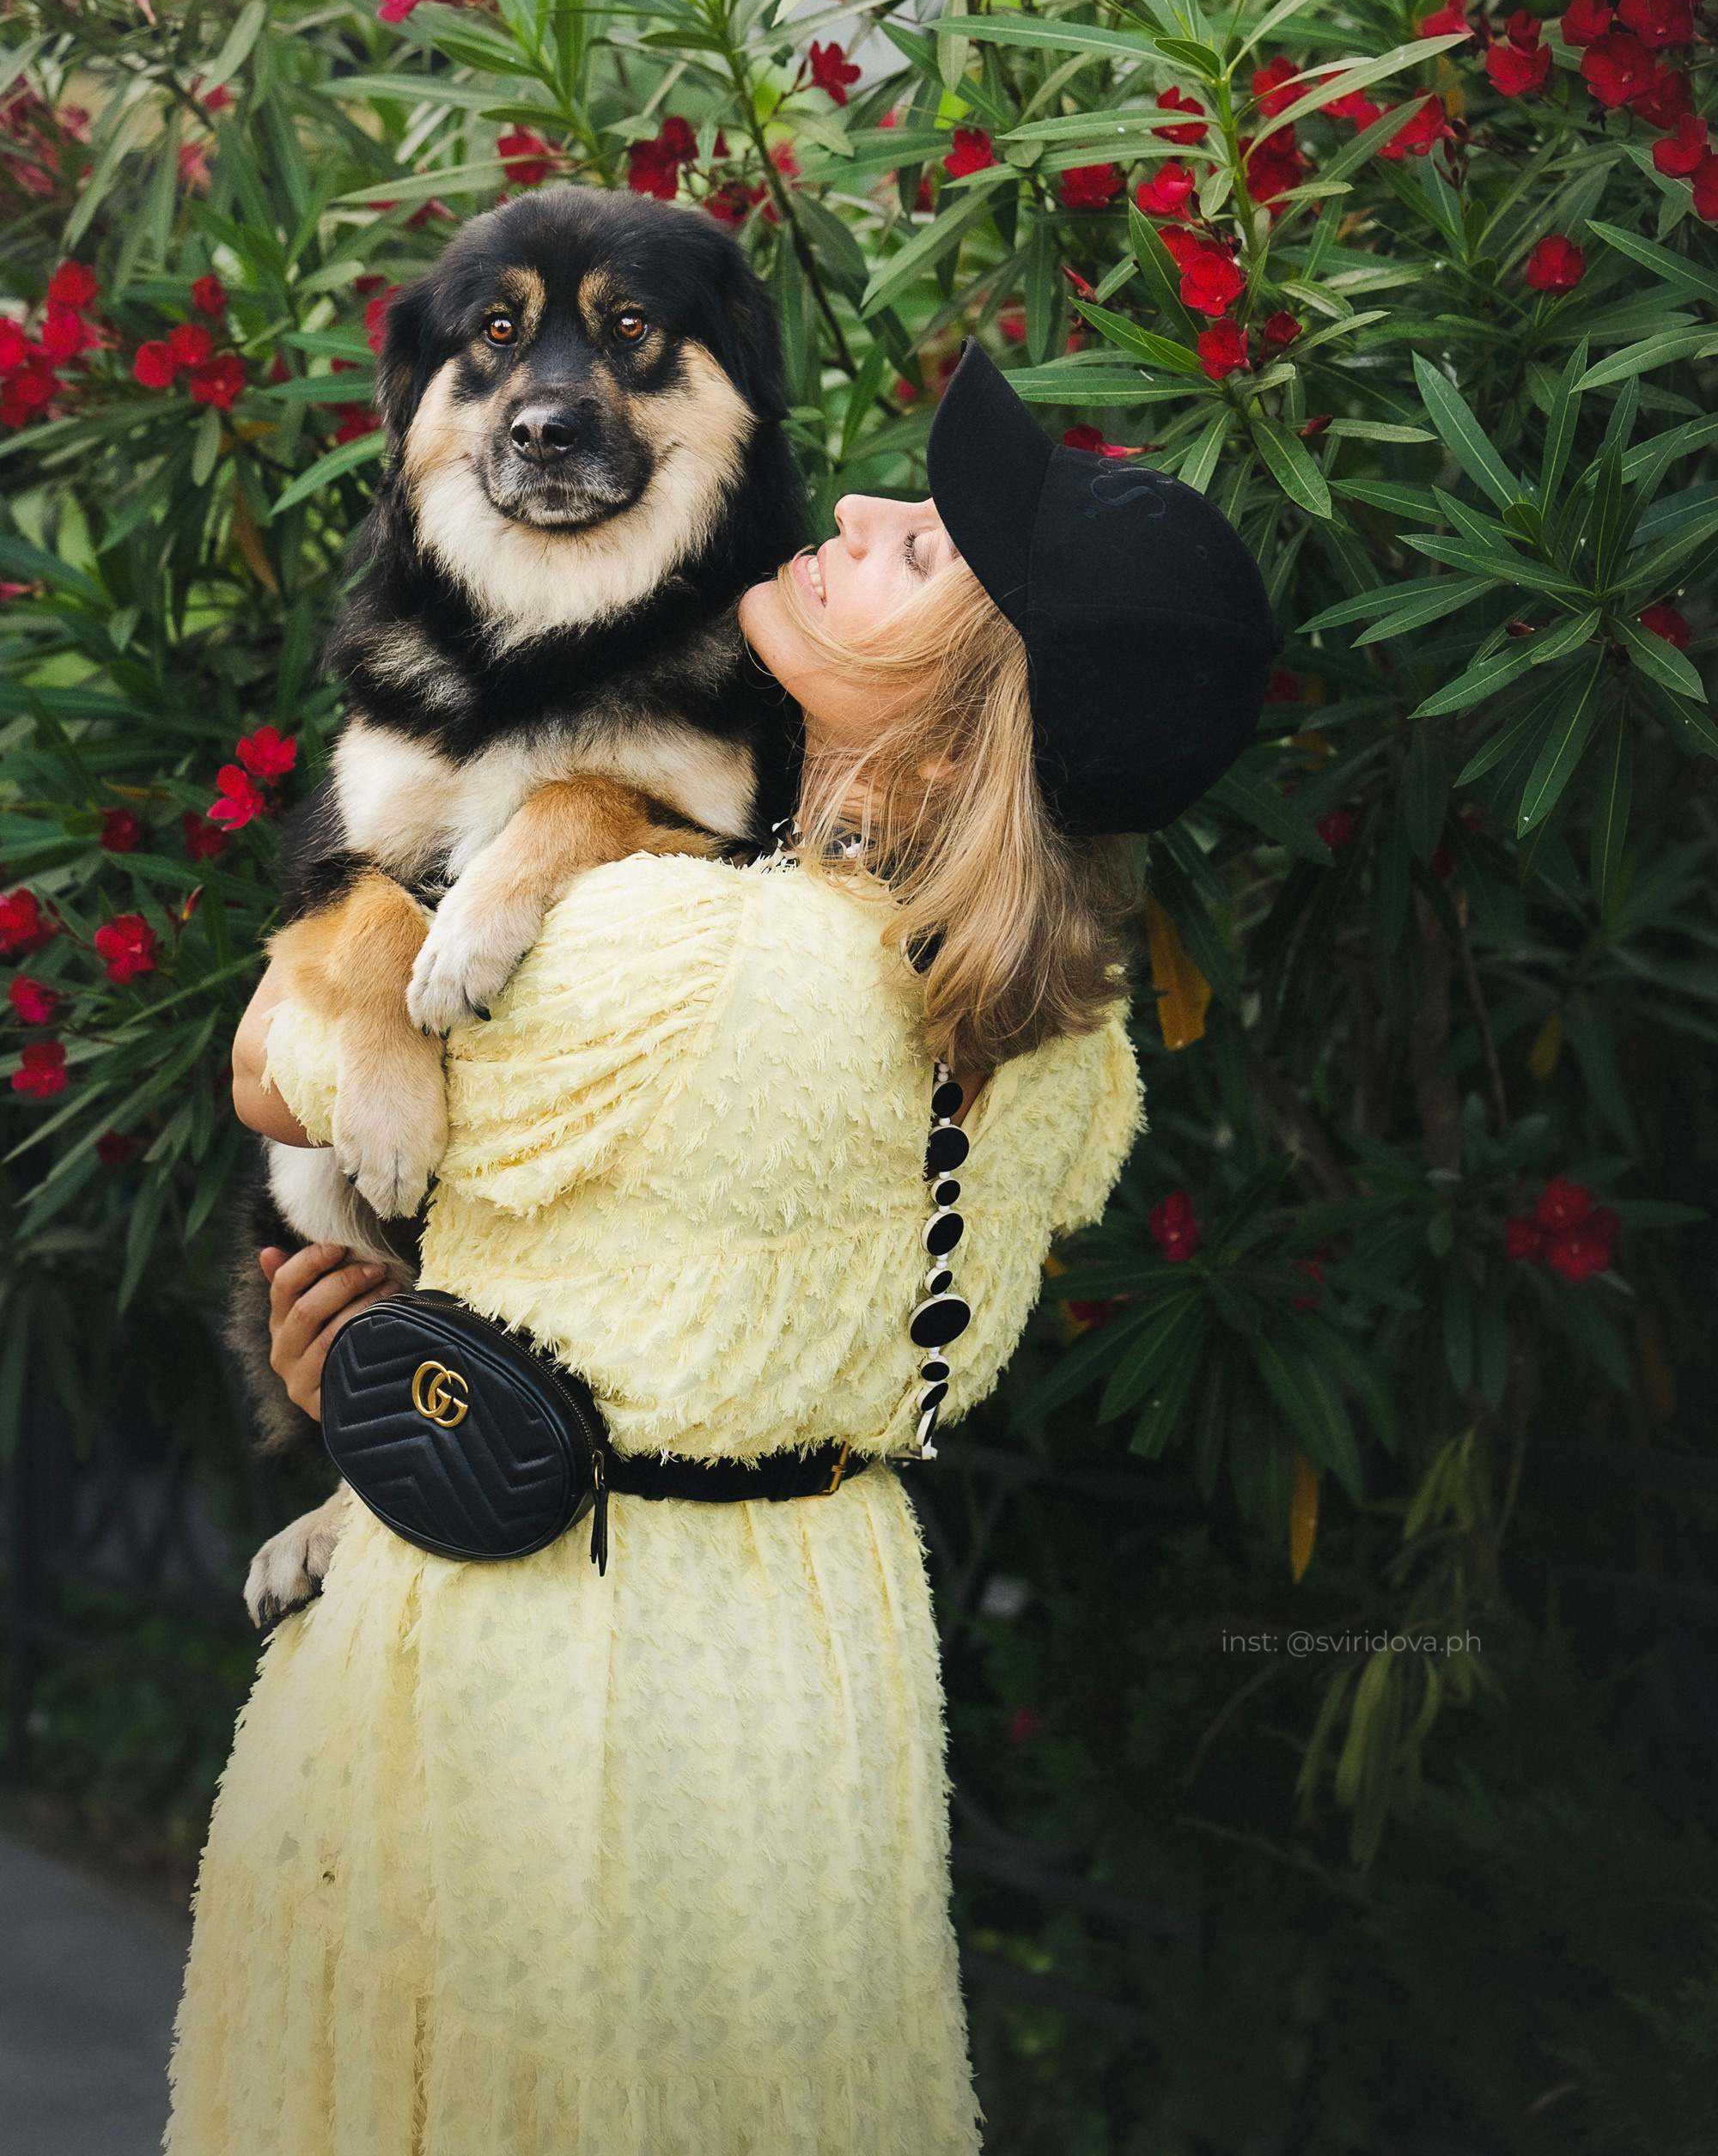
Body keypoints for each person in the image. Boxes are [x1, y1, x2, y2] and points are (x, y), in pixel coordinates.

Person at [167, 345, 1280, 2156]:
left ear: (957, 723)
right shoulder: (1077, 1055)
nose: (855, 508)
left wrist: (379, 1348)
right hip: (818, 1665)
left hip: (536, 1677)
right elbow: (678, 1307)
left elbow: (268, 1071)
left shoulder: (665, 961)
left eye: (917, 552)